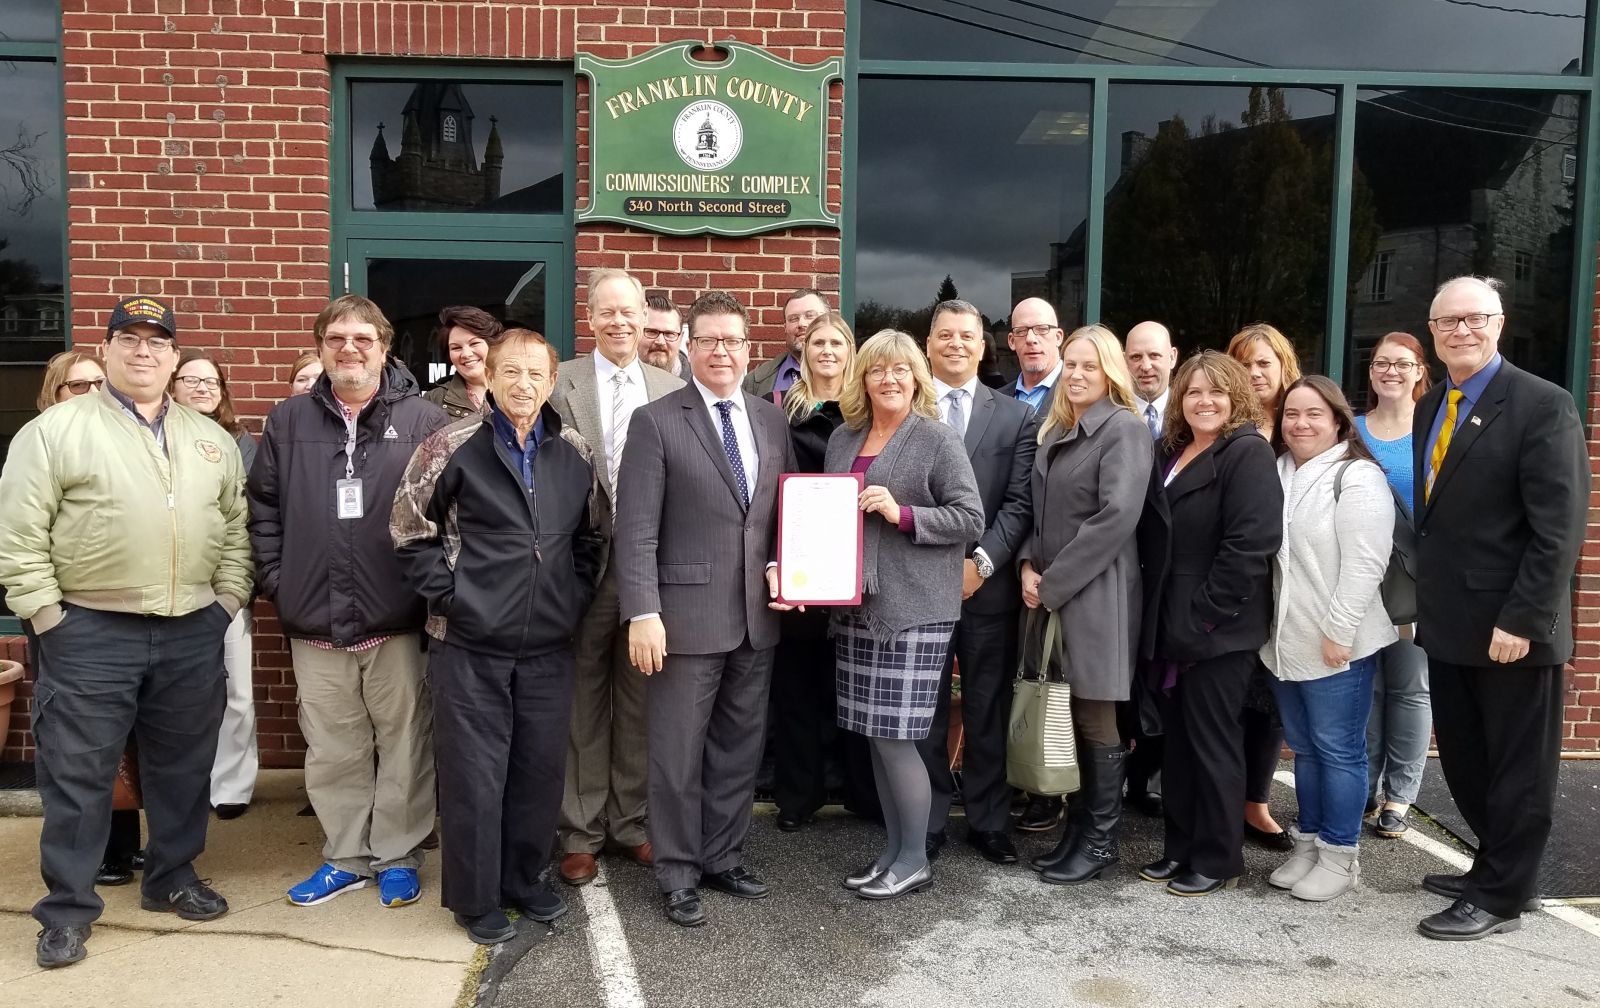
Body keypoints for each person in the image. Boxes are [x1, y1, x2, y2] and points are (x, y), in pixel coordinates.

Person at [0, 294, 252, 968]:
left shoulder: (211, 439)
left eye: (157, 341)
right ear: (106, 350)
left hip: (191, 628)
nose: (143, 351)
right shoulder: (55, 431)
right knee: (78, 776)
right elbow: (20, 539)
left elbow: (235, 529)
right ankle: (68, 910)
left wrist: (226, 600)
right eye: (128, 339)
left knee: (182, 768)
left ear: (174, 357)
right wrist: (51, 617)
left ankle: (171, 878)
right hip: (89, 629)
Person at [392, 328, 605, 944]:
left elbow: (594, 538)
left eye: (535, 374)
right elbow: (409, 531)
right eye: (510, 371)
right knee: (474, 775)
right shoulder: (449, 445)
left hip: (547, 645)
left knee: (538, 770)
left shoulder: (576, 451)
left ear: (551, 379)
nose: (523, 384)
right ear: (489, 371)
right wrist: (457, 602)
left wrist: (571, 601)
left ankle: (522, 880)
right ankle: (475, 896)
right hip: (468, 644)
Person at [248, 294, 449, 910]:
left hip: (396, 618)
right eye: (336, 338)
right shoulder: (288, 422)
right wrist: (280, 580)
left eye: (363, 339)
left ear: (385, 349)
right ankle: (344, 856)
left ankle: (396, 854)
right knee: (333, 746)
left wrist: (430, 594)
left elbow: (448, 517)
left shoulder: (422, 422)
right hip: (314, 620)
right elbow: (262, 511)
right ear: (320, 348)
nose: (349, 349)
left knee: (405, 742)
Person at [614, 290, 797, 927]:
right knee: (676, 753)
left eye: (735, 341)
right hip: (682, 619)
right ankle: (677, 871)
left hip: (756, 616)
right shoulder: (657, 420)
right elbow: (634, 528)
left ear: (751, 351)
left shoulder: (772, 421)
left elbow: (781, 515)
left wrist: (789, 563)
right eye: (710, 340)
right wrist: (641, 611)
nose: (723, 351)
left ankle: (723, 856)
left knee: (738, 749)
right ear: (689, 347)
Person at [1412, 276, 1586, 941]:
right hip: (1452, 623)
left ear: (1500, 323)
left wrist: (1523, 618)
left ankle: (1505, 897)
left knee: (1518, 769)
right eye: (1446, 322)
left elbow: (1558, 529)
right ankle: (1492, 864)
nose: (1460, 330)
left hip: (1511, 628)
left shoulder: (1543, 405)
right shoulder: (1434, 405)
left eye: (1473, 319)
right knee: (1466, 758)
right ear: (1432, 331)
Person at [824, 329, 984, 901]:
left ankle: (914, 858)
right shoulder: (843, 439)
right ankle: (893, 853)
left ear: (917, 377)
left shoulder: (937, 439)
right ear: (861, 378)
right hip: (853, 606)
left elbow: (971, 519)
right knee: (874, 736)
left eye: (900, 370)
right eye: (876, 371)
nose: (889, 380)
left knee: (898, 740)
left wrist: (904, 513)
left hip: (914, 609)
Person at [551, 269, 684, 886]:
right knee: (582, 697)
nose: (619, 323)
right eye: (607, 313)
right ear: (591, 319)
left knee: (639, 697)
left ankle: (632, 822)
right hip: (580, 566)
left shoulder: (670, 386)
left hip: (649, 568)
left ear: (644, 316)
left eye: (628, 313)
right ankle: (580, 831)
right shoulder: (560, 383)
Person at [1136, 351, 1281, 897]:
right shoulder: (1171, 450)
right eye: (1194, 392)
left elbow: (1250, 547)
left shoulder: (1246, 454)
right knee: (1178, 744)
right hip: (1169, 626)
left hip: (1216, 631)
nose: (1204, 401)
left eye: (1217, 392)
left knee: (1213, 742)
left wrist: (1205, 617)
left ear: (1236, 396)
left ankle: (1218, 858)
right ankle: (1180, 849)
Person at [1021, 324, 1151, 885]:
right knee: (1066, 715)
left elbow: (1114, 520)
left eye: (1088, 367)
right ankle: (1078, 830)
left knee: (1096, 717)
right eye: (1069, 365)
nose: (1075, 375)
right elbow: (1039, 510)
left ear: (1110, 373)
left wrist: (1050, 584)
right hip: (1052, 591)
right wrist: (1028, 561)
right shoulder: (1058, 430)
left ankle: (1100, 841)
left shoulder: (1123, 429)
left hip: (1096, 594)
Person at [1261, 376, 1396, 902]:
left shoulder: (1356, 476)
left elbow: (1366, 564)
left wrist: (1339, 632)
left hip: (1338, 642)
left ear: (1339, 420)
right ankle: (1309, 844)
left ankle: (1342, 857)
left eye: (1314, 414)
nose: (1300, 424)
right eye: (1291, 414)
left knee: (1339, 751)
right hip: (1283, 643)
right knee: (1307, 752)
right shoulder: (1278, 471)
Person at [916, 300, 1038, 866]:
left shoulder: (1015, 416)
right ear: (929, 343)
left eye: (967, 336)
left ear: (985, 345)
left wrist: (982, 564)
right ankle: (931, 817)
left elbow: (1019, 504)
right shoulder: (907, 410)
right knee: (926, 711)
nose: (956, 344)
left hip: (987, 590)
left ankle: (989, 820)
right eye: (945, 335)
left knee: (987, 708)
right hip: (918, 587)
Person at [33, 353, 146, 886]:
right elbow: (24, 536)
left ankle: (124, 846)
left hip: (136, 624)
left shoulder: (130, 440)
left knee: (129, 745)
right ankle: (86, 865)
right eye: (77, 385)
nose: (90, 391)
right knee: (82, 751)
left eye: (98, 383)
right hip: (74, 621)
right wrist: (48, 615)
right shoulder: (43, 442)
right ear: (55, 392)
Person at [772, 311, 861, 832]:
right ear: (803, 353)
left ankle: (859, 790)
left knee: (854, 683)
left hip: (855, 568)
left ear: (851, 351)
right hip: (802, 565)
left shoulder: (866, 414)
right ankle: (798, 797)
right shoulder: (781, 413)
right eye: (817, 342)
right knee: (799, 686)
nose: (827, 350)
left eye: (837, 342)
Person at [170, 350, 259, 821]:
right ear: (172, 385)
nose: (203, 388)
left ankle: (232, 787)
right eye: (192, 380)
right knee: (181, 698)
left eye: (212, 382)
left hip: (226, 589)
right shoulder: (155, 437)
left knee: (237, 692)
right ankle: (188, 784)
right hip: (171, 591)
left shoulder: (241, 443)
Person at [1226, 322, 1302, 852]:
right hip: (1241, 584)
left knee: (1272, 701)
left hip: (1293, 583)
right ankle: (1228, 799)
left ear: (1283, 367)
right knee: (1234, 696)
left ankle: (1257, 802)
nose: (1255, 373)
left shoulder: (1300, 424)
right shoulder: (1227, 426)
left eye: (1264, 363)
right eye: (1245, 364)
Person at [1355, 332, 1432, 840]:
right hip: (1358, 575)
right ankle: (1363, 786)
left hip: (1414, 579)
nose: (1391, 371)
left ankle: (1399, 795)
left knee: (1408, 685)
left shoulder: (1434, 430)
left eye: (1403, 363)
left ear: (1420, 370)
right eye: (1382, 362)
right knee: (1367, 687)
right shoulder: (1353, 429)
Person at [1004, 297, 1067, 832]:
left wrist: (1044, 569)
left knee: (1061, 684)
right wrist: (1021, 561)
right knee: (1024, 678)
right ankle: (1025, 780)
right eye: (1022, 331)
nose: (1032, 340)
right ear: (1009, 341)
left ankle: (1055, 793)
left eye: (1042, 330)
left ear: (1059, 336)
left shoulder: (1079, 398)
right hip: (1012, 567)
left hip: (1064, 570)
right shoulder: (1003, 401)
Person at [1120, 320, 1179, 817]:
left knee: (1164, 683)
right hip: (1120, 570)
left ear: (1172, 357)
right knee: (1125, 684)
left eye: (1154, 356)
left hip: (1173, 575)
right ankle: (1124, 784)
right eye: (1136, 356)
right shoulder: (1115, 415)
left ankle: (1148, 779)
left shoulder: (1194, 415)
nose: (1145, 365)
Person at [745, 287, 829, 403]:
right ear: (785, 327)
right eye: (793, 319)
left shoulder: (856, 377)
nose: (801, 324)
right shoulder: (755, 382)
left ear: (829, 320)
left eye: (810, 316)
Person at [423, 305, 502, 419]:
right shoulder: (433, 400)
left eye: (474, 343)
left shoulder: (519, 390)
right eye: (456, 348)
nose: (466, 354)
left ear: (493, 345)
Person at [35, 350, 105, 411]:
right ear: (55, 393)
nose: (95, 391)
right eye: (79, 384)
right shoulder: (41, 426)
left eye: (101, 382)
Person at [642, 292, 687, 378]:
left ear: (681, 338)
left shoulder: (700, 384)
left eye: (669, 334)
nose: (660, 342)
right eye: (652, 332)